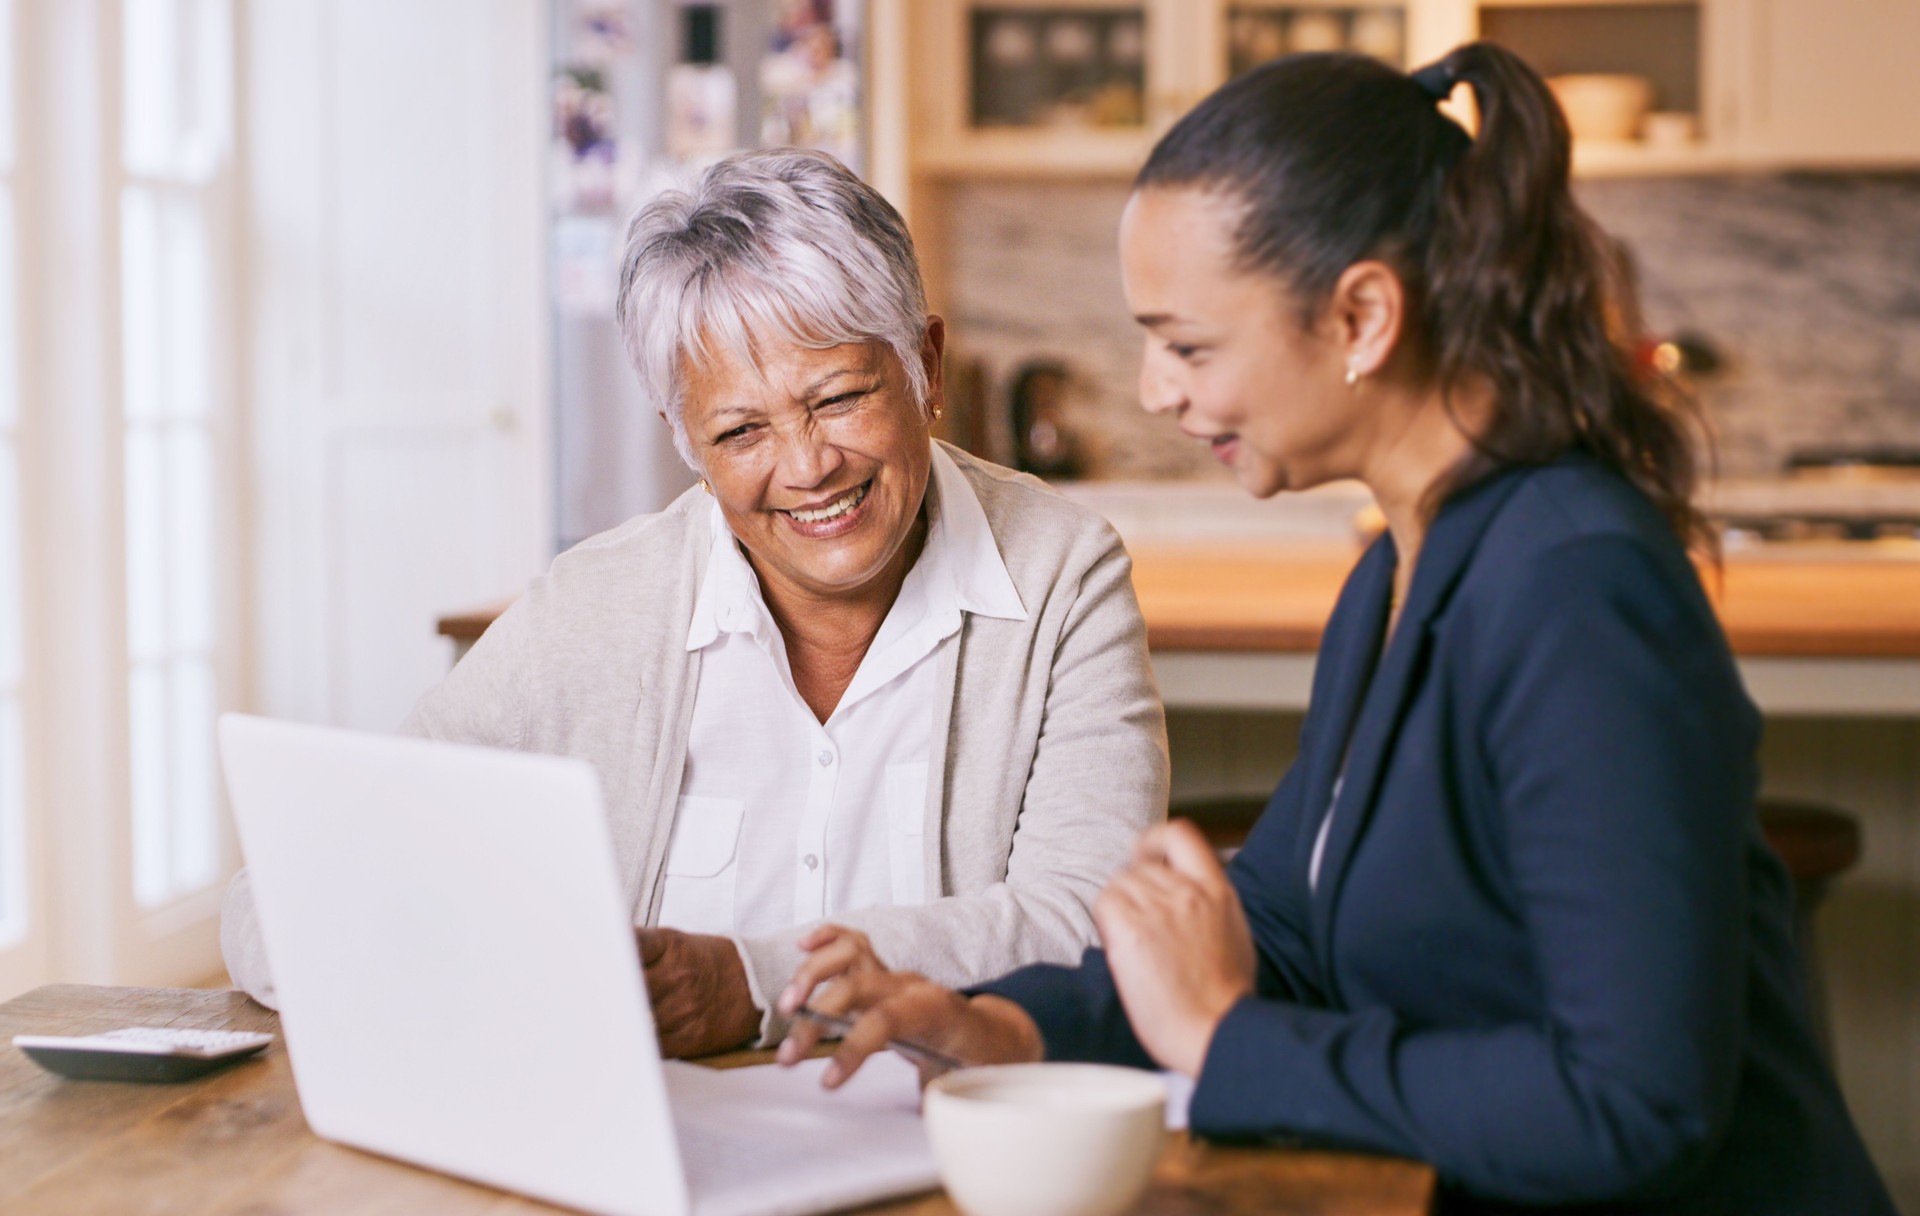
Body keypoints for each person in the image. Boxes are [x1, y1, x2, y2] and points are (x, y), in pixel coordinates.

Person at [776, 47, 1896, 1213]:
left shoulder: (1578, 587)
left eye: (1190, 345)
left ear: (1362, 314)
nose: (1156, 390)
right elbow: (1296, 921)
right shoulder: (1398, 571)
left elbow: (1631, 1104)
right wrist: (1000, 1022)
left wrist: (1224, 1039)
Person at [221, 148, 1169, 1058]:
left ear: (924, 367)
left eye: (838, 397)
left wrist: (749, 985)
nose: (806, 467)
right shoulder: (599, 607)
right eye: (741, 429)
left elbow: (1090, 922)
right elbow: (278, 904)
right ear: (683, 440)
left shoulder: (1060, 574)